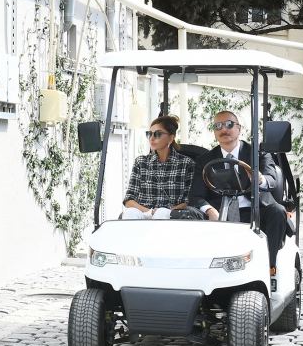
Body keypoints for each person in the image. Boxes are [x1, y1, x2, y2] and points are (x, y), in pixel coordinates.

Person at [189, 110, 287, 274]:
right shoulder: (205, 160)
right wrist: (210, 210)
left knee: (277, 211)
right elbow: (196, 196)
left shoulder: (258, 153)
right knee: (190, 216)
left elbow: (272, 180)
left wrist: (260, 179)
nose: (223, 129)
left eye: (229, 124)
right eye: (218, 126)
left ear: (239, 128)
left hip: (255, 209)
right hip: (220, 212)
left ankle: (268, 266)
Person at [122, 115, 194, 220]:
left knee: (161, 213)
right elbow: (129, 200)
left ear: (171, 138)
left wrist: (167, 211)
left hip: (170, 215)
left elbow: (187, 201)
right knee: (130, 213)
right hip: (144, 212)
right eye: (149, 134)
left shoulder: (186, 164)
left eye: (157, 134)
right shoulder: (141, 162)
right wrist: (149, 212)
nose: (152, 138)